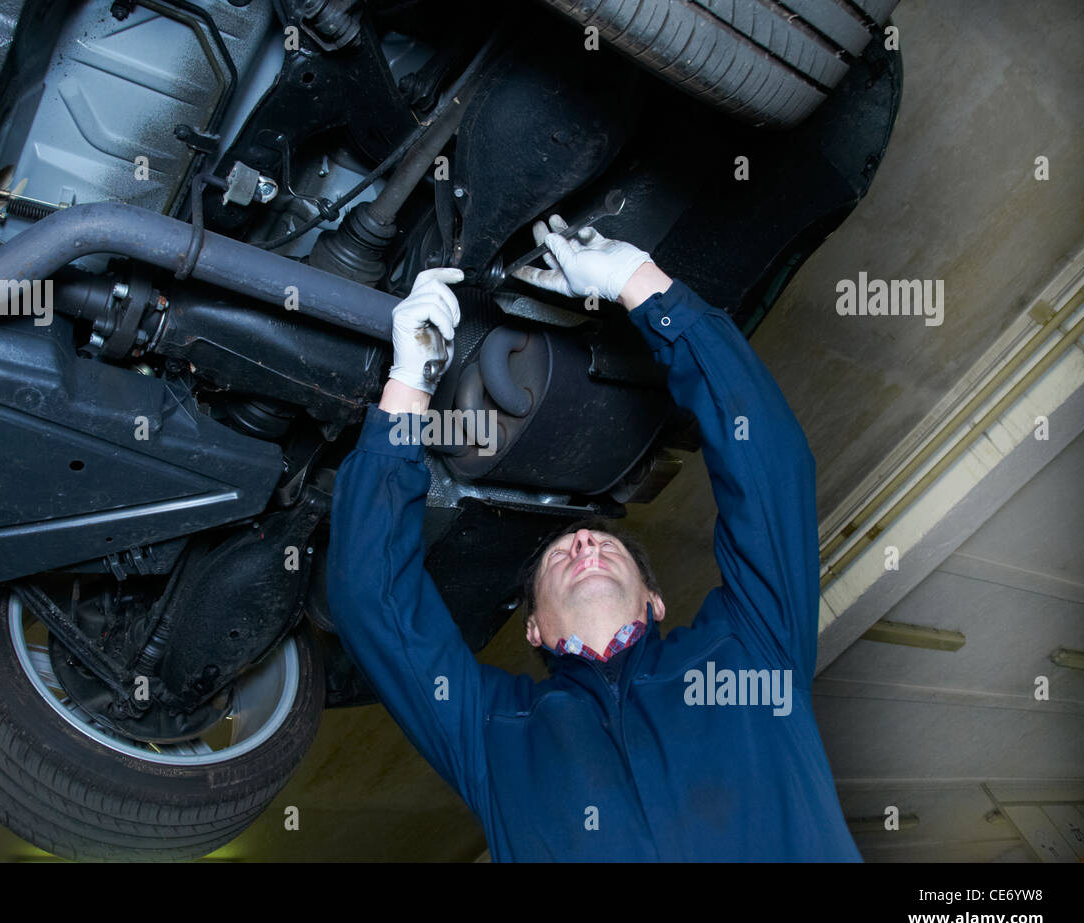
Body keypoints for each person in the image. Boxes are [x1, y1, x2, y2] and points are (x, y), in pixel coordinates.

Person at [326, 215, 860, 861]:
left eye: (607, 544)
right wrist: (407, 380)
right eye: (563, 550)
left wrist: (641, 282)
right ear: (533, 631)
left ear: (657, 602)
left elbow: (769, 462)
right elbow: (371, 600)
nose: (584, 543)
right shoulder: (492, 736)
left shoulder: (749, 655)